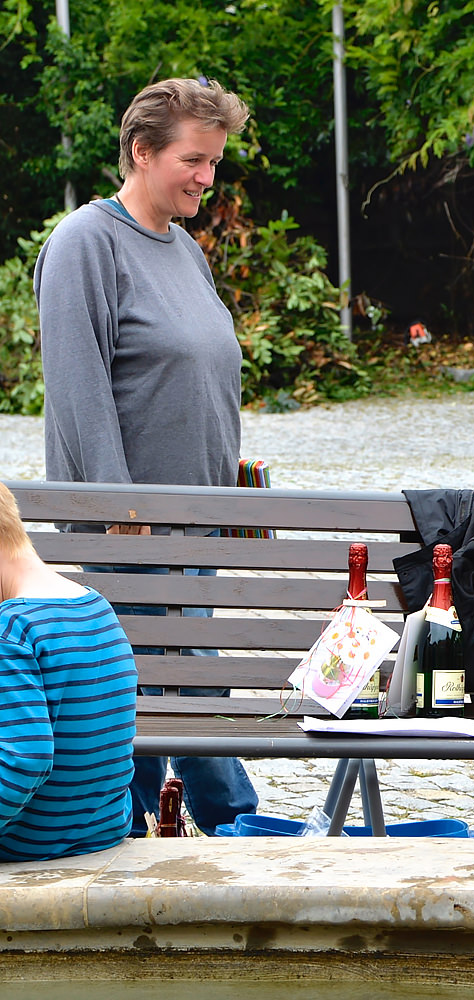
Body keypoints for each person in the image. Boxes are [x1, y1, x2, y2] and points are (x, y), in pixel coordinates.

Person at [33, 77, 258, 836]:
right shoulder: (85, 243)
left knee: (178, 684)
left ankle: (183, 836)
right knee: (153, 693)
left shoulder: (184, 251)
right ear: (141, 151)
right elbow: (76, 384)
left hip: (193, 525)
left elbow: (190, 374)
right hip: (129, 533)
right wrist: (115, 511)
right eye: (195, 160)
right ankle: (233, 829)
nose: (208, 177)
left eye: (216, 163)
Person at [0, 483, 136, 860]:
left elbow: (24, 760)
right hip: (101, 829)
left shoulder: (11, 629)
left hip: (29, 842)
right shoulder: (94, 606)